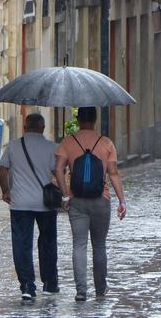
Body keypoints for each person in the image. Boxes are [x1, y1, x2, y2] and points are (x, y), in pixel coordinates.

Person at [55, 106, 127, 302]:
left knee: (79, 245)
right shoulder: (106, 143)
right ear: (95, 120)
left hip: (77, 200)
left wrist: (64, 195)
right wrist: (122, 200)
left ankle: (81, 291)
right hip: (101, 200)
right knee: (99, 246)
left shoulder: (68, 142)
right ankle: (101, 289)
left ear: (78, 120)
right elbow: (113, 173)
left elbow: (58, 169)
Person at [0, 113, 60, 300]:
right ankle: (49, 283)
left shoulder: (13, 146)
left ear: (25, 128)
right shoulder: (52, 147)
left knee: (22, 244)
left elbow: (2, 172)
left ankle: (27, 286)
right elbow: (58, 172)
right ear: (42, 128)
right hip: (45, 203)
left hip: (20, 203)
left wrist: (6, 191)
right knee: (48, 242)